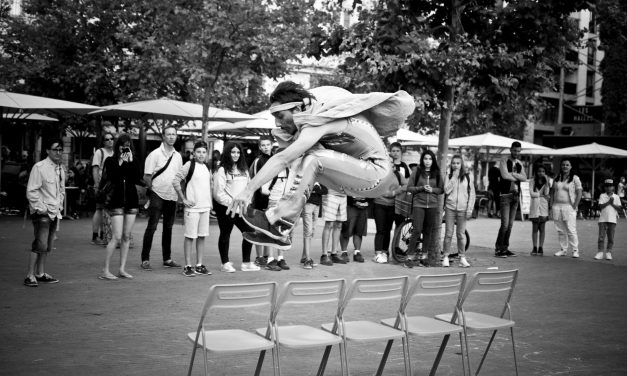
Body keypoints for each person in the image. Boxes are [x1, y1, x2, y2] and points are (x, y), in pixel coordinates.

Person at [227, 81, 415, 247]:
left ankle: (280, 222)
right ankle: (281, 231)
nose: (278, 123)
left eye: (281, 116)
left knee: (312, 159)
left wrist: (248, 190)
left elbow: (281, 159)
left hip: (376, 174)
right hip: (357, 173)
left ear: (298, 109)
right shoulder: (314, 112)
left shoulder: (320, 120)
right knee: (301, 157)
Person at [98, 134, 144, 280]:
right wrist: (120, 161)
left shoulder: (134, 160)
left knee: (126, 236)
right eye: (123, 146)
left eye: (128, 146)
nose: (125, 149)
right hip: (116, 201)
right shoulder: (110, 160)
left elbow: (137, 177)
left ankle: (122, 269)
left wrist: (130, 161)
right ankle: (105, 270)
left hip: (131, 201)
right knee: (116, 236)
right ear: (117, 147)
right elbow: (114, 177)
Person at [24, 139, 65, 287]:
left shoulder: (60, 168)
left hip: (54, 211)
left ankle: (40, 273)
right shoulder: (39, 167)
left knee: (47, 245)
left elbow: (61, 190)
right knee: (40, 243)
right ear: (47, 151)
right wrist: (42, 208)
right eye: (55, 149)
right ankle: (30, 275)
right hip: (42, 212)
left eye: (60, 149)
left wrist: (59, 204)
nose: (58, 152)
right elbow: (31, 191)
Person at [140, 126, 183, 271]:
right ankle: (145, 259)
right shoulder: (155, 154)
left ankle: (167, 258)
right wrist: (153, 191)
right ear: (163, 137)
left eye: (174, 134)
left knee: (168, 228)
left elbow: (179, 176)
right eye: (168, 134)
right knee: (152, 227)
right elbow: (146, 176)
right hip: (157, 194)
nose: (171, 137)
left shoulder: (178, 156)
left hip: (172, 196)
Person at [213, 142, 260, 272]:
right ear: (228, 153)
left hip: (242, 209)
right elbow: (218, 193)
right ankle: (225, 263)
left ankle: (246, 263)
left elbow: (249, 188)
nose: (236, 155)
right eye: (233, 152)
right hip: (226, 209)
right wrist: (232, 203)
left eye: (238, 152)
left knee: (250, 232)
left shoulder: (244, 170)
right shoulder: (222, 170)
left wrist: (247, 201)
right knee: (225, 234)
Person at [173, 141, 213, 277]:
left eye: (203, 152)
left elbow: (208, 186)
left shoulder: (207, 167)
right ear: (194, 153)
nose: (201, 154)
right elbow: (175, 180)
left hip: (205, 207)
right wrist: (183, 199)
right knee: (190, 237)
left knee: (202, 237)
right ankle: (188, 266)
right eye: (198, 152)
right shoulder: (189, 165)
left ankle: (199, 265)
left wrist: (210, 203)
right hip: (192, 208)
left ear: (206, 153)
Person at [244, 165, 292, 271]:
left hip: (285, 203)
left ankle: (280, 259)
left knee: (283, 231)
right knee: (271, 230)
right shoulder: (274, 170)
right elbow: (264, 189)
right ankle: (270, 259)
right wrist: (274, 194)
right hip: (274, 202)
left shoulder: (291, 171)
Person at [405, 150, 444, 268]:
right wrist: (421, 188)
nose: (427, 161)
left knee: (428, 231)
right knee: (417, 230)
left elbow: (441, 189)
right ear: (422, 160)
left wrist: (432, 190)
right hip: (418, 204)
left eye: (430, 159)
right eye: (425, 159)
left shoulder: (436, 172)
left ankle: (424, 258)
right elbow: (410, 188)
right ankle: (409, 258)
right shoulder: (417, 171)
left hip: (432, 205)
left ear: (433, 160)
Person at [442, 155, 475, 268]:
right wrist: (454, 178)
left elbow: (472, 194)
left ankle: (462, 257)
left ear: (462, 165)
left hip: (463, 209)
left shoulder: (468, 177)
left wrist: (470, 209)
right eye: (454, 163)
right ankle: (445, 256)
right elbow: (446, 190)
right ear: (451, 165)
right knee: (448, 234)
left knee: (461, 235)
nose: (455, 165)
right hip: (450, 208)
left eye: (458, 163)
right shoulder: (449, 176)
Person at [494, 141, 527, 258]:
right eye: (514, 150)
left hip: (516, 196)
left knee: (511, 224)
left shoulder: (519, 163)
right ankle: (498, 249)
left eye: (518, 151)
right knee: (505, 224)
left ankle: (505, 248)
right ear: (510, 149)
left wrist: (513, 174)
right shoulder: (504, 160)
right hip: (505, 195)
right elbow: (504, 176)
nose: (516, 153)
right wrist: (516, 175)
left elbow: (524, 178)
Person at [249, 137, 274, 266]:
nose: (265, 147)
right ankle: (259, 257)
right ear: (259, 147)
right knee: (259, 229)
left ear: (272, 145)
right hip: (259, 200)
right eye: (263, 145)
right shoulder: (258, 160)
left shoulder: (275, 159)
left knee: (269, 229)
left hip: (272, 200)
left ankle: (267, 256)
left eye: (268, 144)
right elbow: (254, 180)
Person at [551, 158, 583, 258]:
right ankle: (563, 249)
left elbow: (579, 192)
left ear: (571, 167)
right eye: (563, 165)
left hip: (569, 206)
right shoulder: (557, 177)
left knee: (571, 229)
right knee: (560, 230)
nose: (565, 166)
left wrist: (575, 205)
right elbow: (552, 192)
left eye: (567, 165)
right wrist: (551, 204)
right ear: (561, 166)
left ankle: (575, 250)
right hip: (557, 206)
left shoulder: (575, 178)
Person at [373, 170, 406, 263]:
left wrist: (394, 192)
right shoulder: (378, 172)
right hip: (379, 204)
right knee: (380, 230)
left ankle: (384, 252)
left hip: (392, 206)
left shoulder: (397, 174)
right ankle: (377, 253)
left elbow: (407, 185)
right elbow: (373, 186)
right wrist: (383, 193)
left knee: (387, 230)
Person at [90, 132, 115, 245]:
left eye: (111, 139)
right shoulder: (99, 152)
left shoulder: (115, 153)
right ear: (103, 141)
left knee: (107, 210)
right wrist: (96, 185)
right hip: (102, 186)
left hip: (112, 187)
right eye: (107, 139)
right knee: (99, 209)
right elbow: (95, 169)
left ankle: (104, 234)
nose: (110, 141)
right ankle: (95, 236)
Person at [299, 182, 327, 269]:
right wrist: (316, 189)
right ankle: (307, 259)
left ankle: (304, 257)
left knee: (312, 231)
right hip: (307, 204)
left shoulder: (320, 177)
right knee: (308, 231)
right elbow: (305, 189)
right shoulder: (308, 173)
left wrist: (315, 189)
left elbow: (325, 191)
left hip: (317, 205)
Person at [594, 179, 622, 261]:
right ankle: (600, 252)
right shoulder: (602, 195)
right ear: (605, 188)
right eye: (607, 186)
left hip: (612, 220)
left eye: (610, 186)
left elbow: (619, 209)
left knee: (611, 238)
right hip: (603, 219)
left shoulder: (616, 197)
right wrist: (609, 202)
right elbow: (600, 206)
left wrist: (612, 203)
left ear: (613, 187)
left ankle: (609, 252)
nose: (608, 188)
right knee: (601, 237)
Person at [320, 188, 347, 266]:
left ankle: (334, 253)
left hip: (343, 194)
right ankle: (324, 255)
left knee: (339, 225)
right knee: (329, 224)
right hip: (331, 193)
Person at [340, 196, 369, 263]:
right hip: (351, 205)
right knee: (347, 229)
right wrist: (352, 200)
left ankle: (357, 252)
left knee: (359, 230)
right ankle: (344, 252)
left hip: (364, 205)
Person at [529, 165, 551, 256]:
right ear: (536, 172)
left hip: (543, 207)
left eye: (543, 171)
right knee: (535, 228)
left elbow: (546, 193)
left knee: (542, 228)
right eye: (539, 171)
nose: (541, 173)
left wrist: (547, 183)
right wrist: (540, 195)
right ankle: (534, 247)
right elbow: (531, 193)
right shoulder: (532, 181)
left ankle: (541, 247)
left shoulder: (547, 182)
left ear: (545, 173)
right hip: (535, 207)